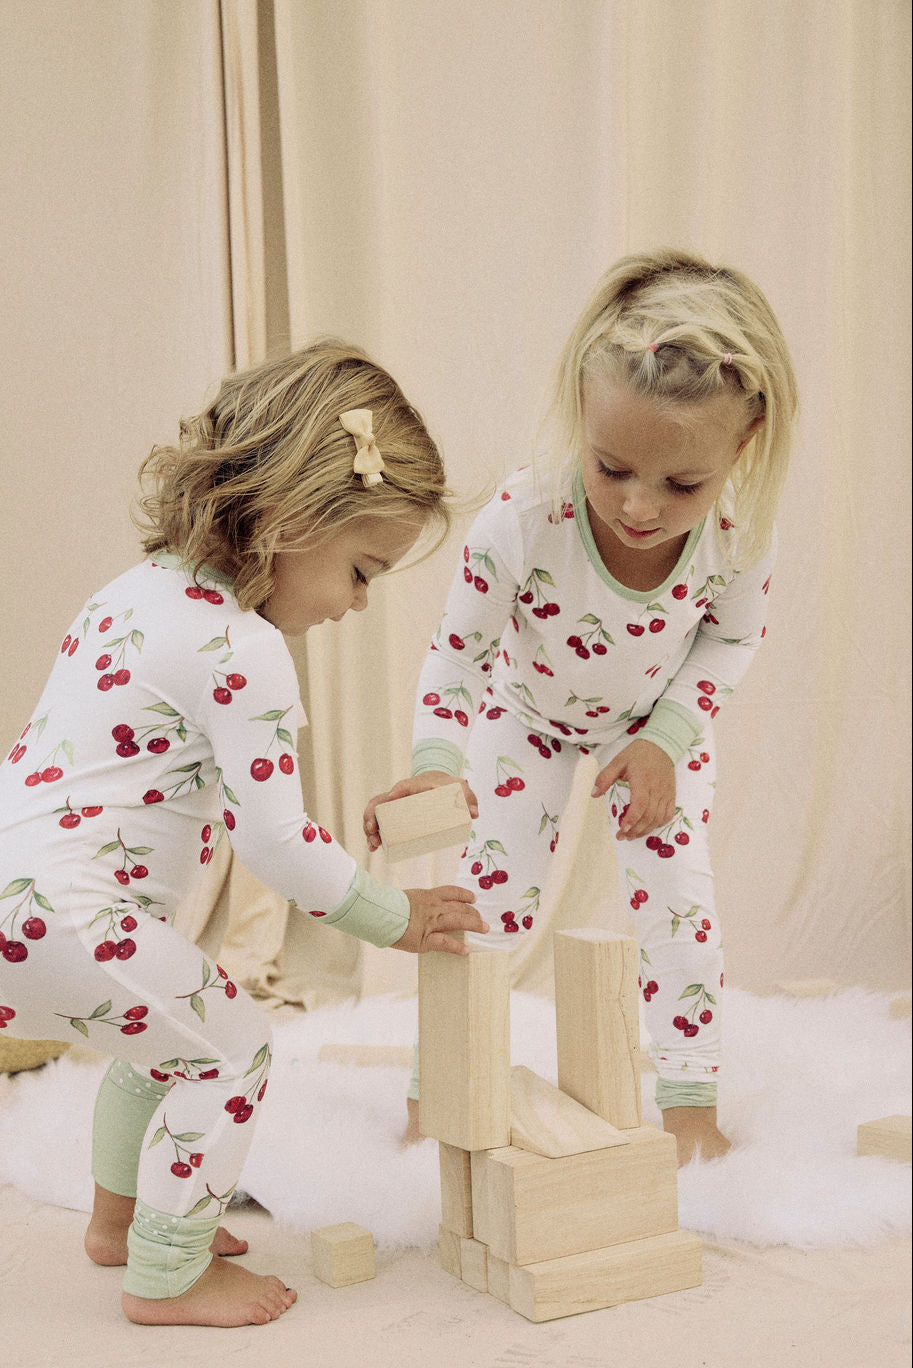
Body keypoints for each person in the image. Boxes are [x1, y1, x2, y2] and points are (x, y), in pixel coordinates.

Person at [0, 341, 486, 1328]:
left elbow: (179, 783)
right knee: (230, 1046)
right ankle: (168, 1273)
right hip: (69, 913)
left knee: (164, 1039)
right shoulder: (245, 648)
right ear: (295, 519)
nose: (356, 604)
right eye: (361, 571)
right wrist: (394, 916)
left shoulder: (133, 594)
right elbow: (275, 847)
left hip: (24, 894)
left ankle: (119, 1219)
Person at [364, 249, 798, 1164]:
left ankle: (688, 1107)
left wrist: (669, 741)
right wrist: (438, 763)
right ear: (581, 419)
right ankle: (431, 1096)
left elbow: (729, 641)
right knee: (485, 908)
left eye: (681, 484)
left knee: (678, 905)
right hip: (525, 721)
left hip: (653, 733)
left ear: (743, 441)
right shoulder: (524, 519)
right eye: (612, 469)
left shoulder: (737, 531)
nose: (640, 507)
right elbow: (457, 656)